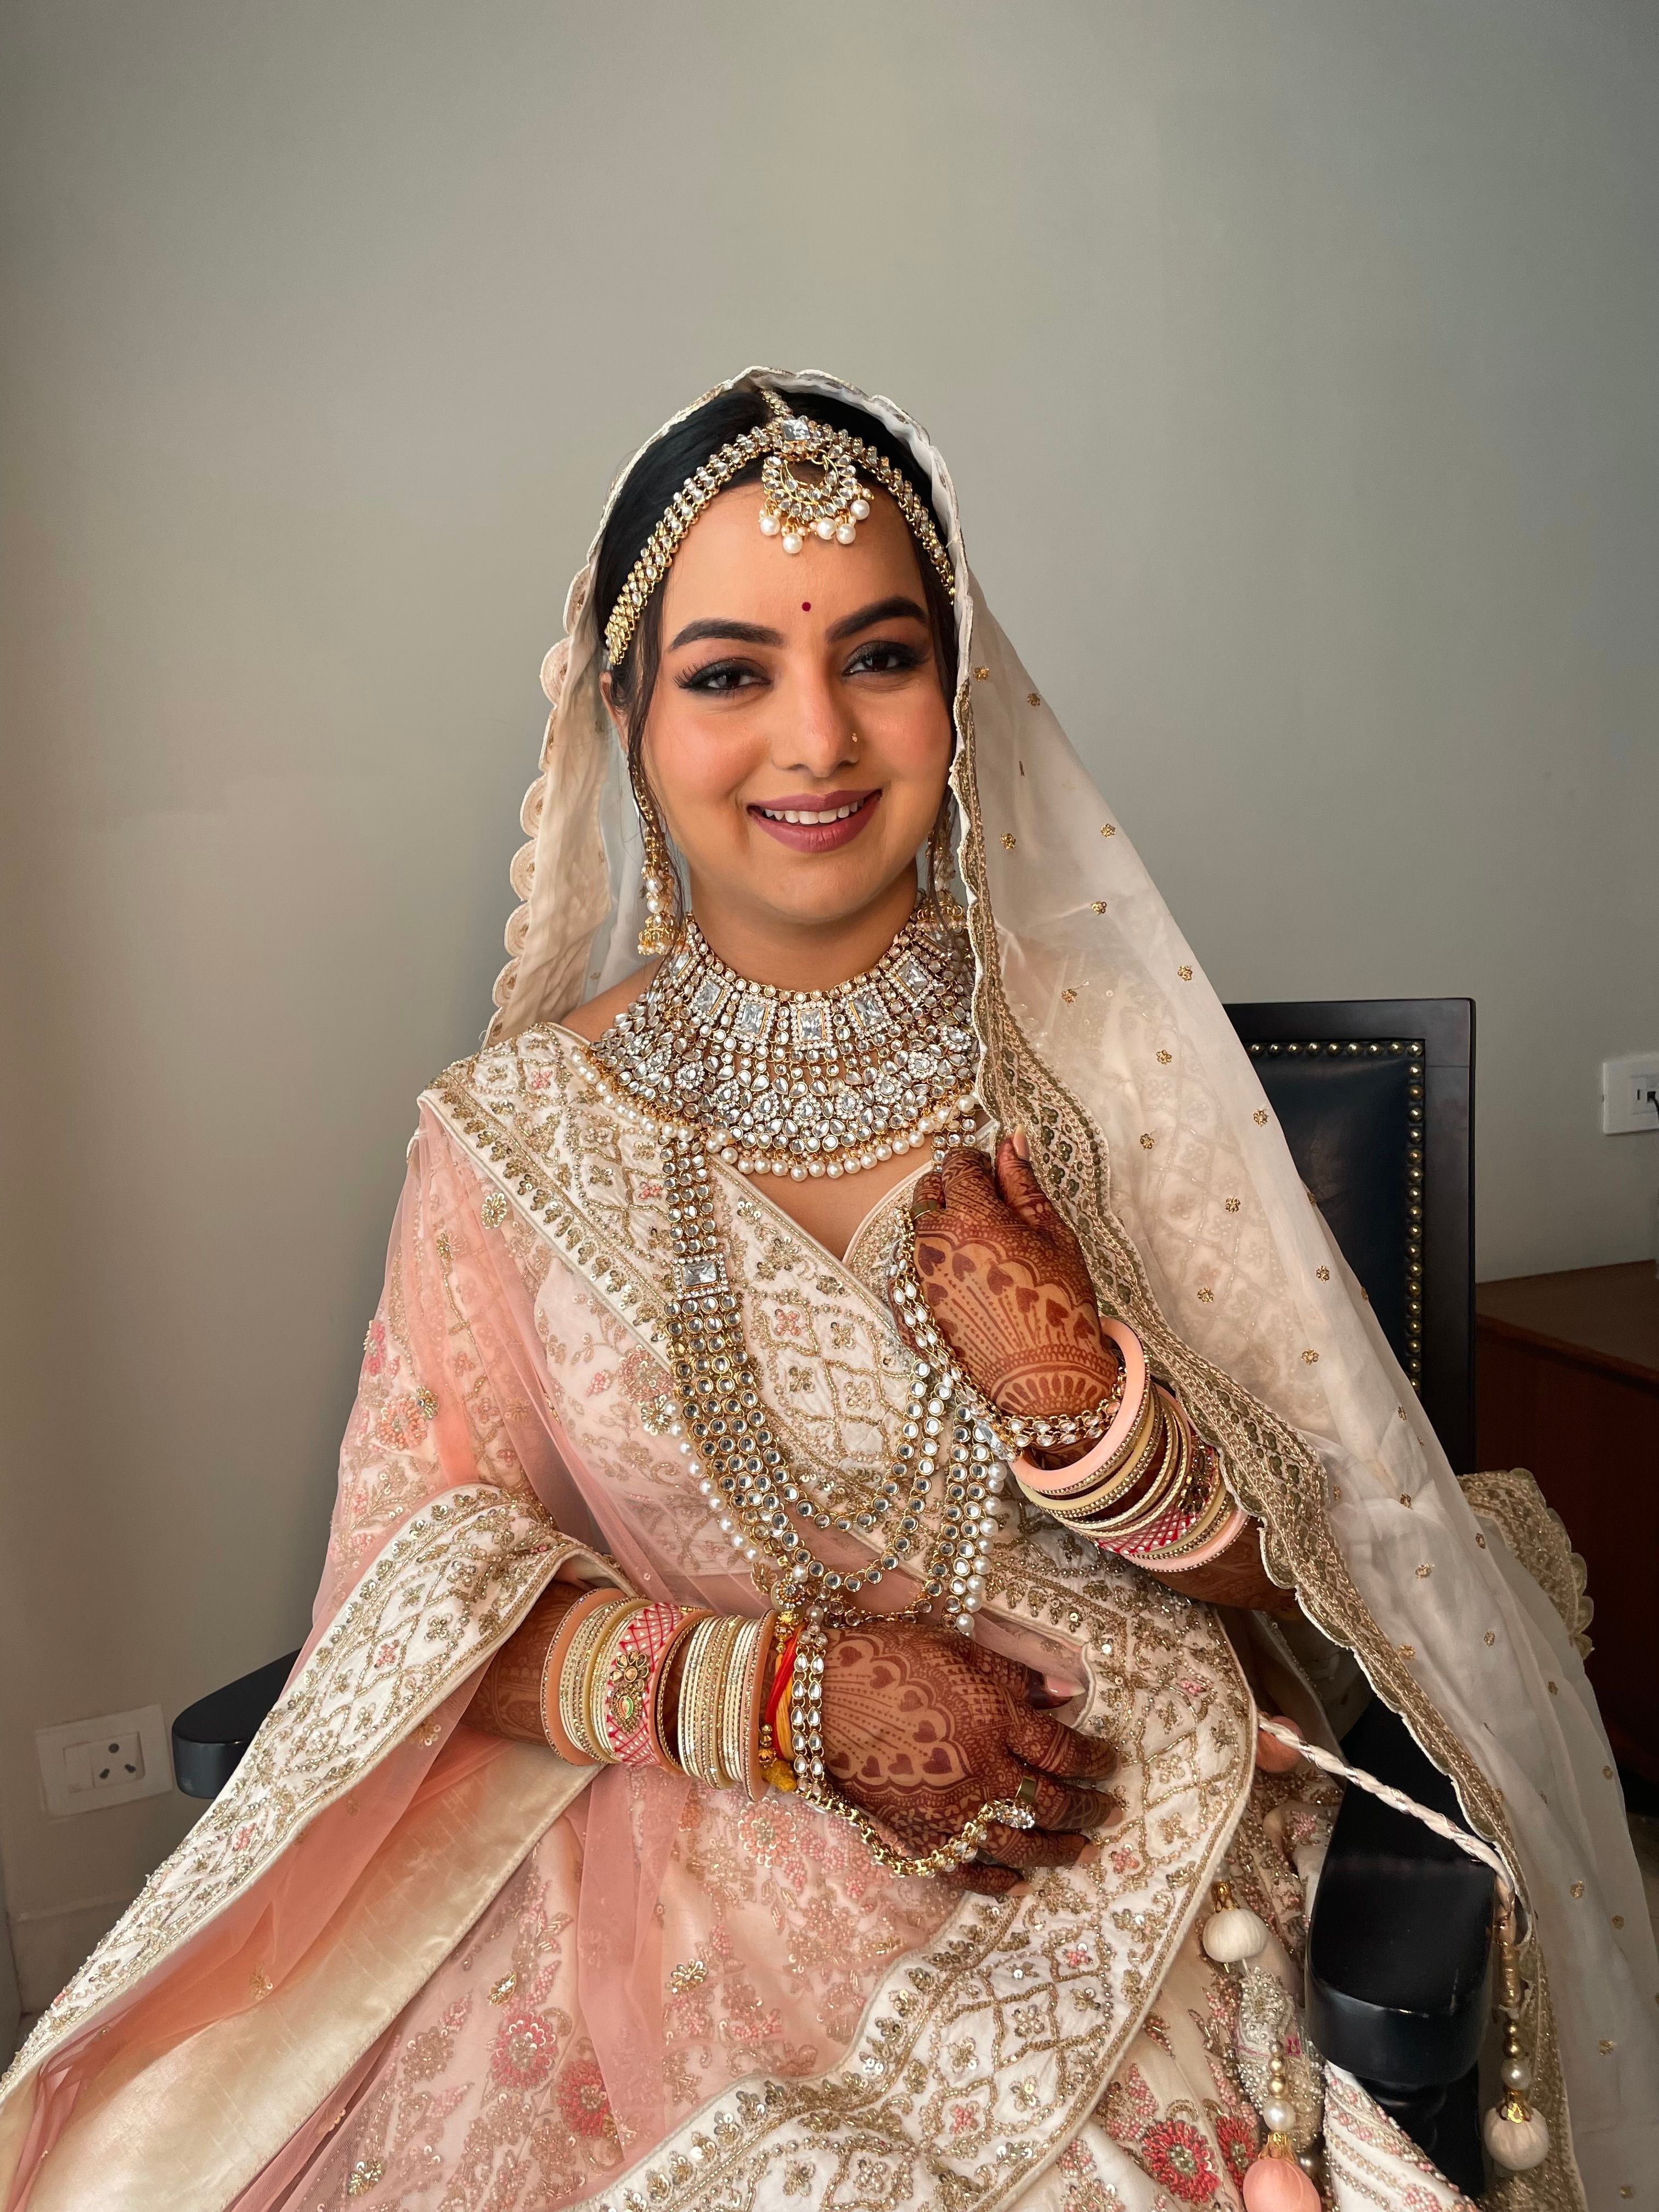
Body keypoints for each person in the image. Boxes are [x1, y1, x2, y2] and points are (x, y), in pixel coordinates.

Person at [1, 370, 1652, 2212]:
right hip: (653, 1868)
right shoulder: (511, 1139)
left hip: (1102, 1830)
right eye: (729, 674)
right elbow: (412, 1611)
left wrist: (1089, 1413)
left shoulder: (1108, 1068)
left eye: (880, 657)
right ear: (625, 719)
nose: (817, 739)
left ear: (958, 691)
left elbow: (1351, 1568)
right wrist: (775, 1697)